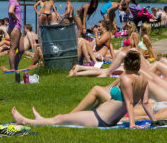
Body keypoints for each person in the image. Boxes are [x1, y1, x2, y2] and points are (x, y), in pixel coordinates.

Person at [13, 51, 154, 129]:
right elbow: (145, 103)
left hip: (100, 118)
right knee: (63, 119)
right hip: (105, 117)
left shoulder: (126, 78)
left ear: (125, 65)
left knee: (60, 118)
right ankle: (41, 120)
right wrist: (154, 120)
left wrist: (132, 124)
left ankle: (26, 121)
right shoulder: (143, 80)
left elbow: (129, 103)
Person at [7, 0, 25, 82]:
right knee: (13, 48)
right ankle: (12, 68)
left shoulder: (17, 2)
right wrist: (15, 18)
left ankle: (16, 67)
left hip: (18, 27)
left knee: (21, 49)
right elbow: (10, 11)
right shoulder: (13, 1)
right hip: (14, 28)